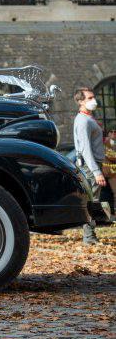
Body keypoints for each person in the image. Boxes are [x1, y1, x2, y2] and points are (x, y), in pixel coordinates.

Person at [73, 87, 107, 245]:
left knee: (93, 199)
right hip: (89, 165)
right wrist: (96, 171)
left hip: (94, 163)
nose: (94, 100)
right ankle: (89, 237)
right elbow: (85, 149)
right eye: (90, 98)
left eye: (94, 97)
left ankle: (90, 236)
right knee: (92, 200)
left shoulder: (89, 118)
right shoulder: (83, 121)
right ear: (80, 101)